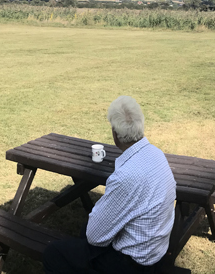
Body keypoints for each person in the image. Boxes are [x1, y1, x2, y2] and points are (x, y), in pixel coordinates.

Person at [43, 96, 177, 273]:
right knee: (86, 229)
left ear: (115, 133)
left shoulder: (126, 176)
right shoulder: (157, 154)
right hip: (155, 249)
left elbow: (95, 237)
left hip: (133, 264)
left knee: (53, 253)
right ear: (141, 125)